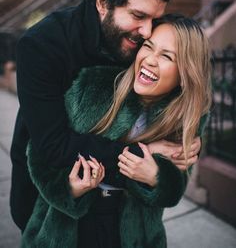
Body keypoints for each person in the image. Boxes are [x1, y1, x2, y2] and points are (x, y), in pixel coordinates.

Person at [10, 0, 201, 231]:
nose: (148, 31)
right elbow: (53, 146)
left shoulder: (138, 37)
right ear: (103, 1)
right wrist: (141, 151)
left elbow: (177, 74)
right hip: (50, 201)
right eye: (138, 15)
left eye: (155, 19)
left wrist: (186, 136)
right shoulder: (41, 46)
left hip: (121, 211)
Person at [20, 14, 211, 248]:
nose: (150, 60)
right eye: (148, 47)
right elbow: (40, 153)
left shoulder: (184, 121)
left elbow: (173, 192)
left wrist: (156, 178)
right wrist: (68, 189)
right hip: (67, 229)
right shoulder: (93, 87)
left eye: (167, 57)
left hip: (134, 236)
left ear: (185, 73)